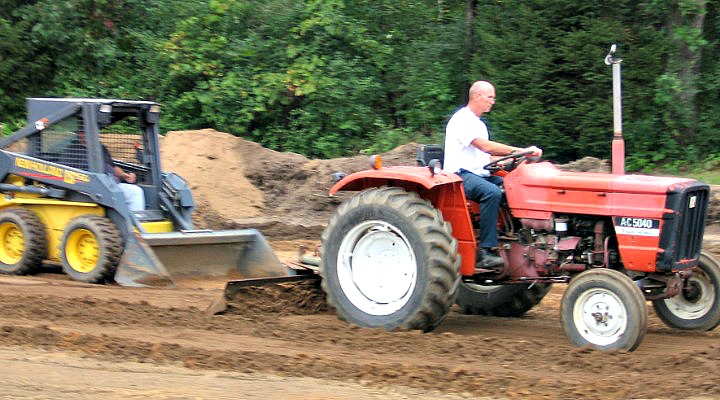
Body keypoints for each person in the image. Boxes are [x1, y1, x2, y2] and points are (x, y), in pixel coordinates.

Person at [443, 80, 541, 268]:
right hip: (460, 175)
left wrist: (510, 161)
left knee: (513, 188)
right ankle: (486, 251)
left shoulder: (479, 124)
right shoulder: (462, 119)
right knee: (492, 192)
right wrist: (520, 150)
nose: (492, 101)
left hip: (479, 173)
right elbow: (485, 146)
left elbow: (484, 156)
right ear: (477, 96)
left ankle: (518, 239)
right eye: (490, 97)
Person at [70, 130, 146, 212]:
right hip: (89, 188)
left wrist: (125, 175)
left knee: (135, 191)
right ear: (78, 133)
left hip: (111, 184)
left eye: (87, 131)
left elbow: (112, 166)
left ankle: (135, 221)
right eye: (82, 132)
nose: (86, 134)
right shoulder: (73, 150)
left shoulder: (99, 147)